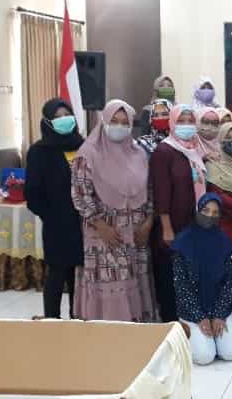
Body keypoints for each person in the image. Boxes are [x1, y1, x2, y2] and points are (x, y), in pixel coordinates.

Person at [72, 99, 158, 322]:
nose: (119, 126)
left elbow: (150, 190)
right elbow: (80, 194)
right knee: (111, 283)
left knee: (135, 281)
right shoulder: (88, 154)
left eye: (124, 122)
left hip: (136, 234)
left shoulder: (139, 154)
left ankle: (136, 327)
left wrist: (148, 223)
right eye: (114, 121)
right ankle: (107, 331)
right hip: (105, 235)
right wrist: (101, 226)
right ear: (104, 122)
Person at [25, 99, 85, 319]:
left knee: (79, 278)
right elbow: (32, 194)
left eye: (67, 115)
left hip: (85, 224)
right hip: (57, 226)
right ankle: (52, 321)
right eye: (57, 117)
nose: (63, 120)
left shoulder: (84, 146)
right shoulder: (39, 151)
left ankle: (77, 321)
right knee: (57, 276)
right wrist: (52, 216)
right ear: (48, 122)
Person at [151, 104, 208, 322]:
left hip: (192, 224)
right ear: (172, 123)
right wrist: (166, 227)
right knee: (170, 278)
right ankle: (171, 324)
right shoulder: (164, 151)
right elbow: (161, 191)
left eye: (190, 120)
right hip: (172, 226)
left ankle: (189, 323)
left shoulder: (194, 150)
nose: (187, 125)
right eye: (181, 121)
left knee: (188, 276)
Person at [172, 193, 232, 364]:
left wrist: (219, 315)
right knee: (205, 356)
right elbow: (181, 286)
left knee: (230, 353)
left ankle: (214, 331)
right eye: (206, 210)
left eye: (215, 212)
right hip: (192, 309)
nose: (210, 216)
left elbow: (229, 283)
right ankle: (185, 331)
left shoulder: (224, 242)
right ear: (197, 211)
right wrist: (200, 317)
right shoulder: (183, 242)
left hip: (219, 308)